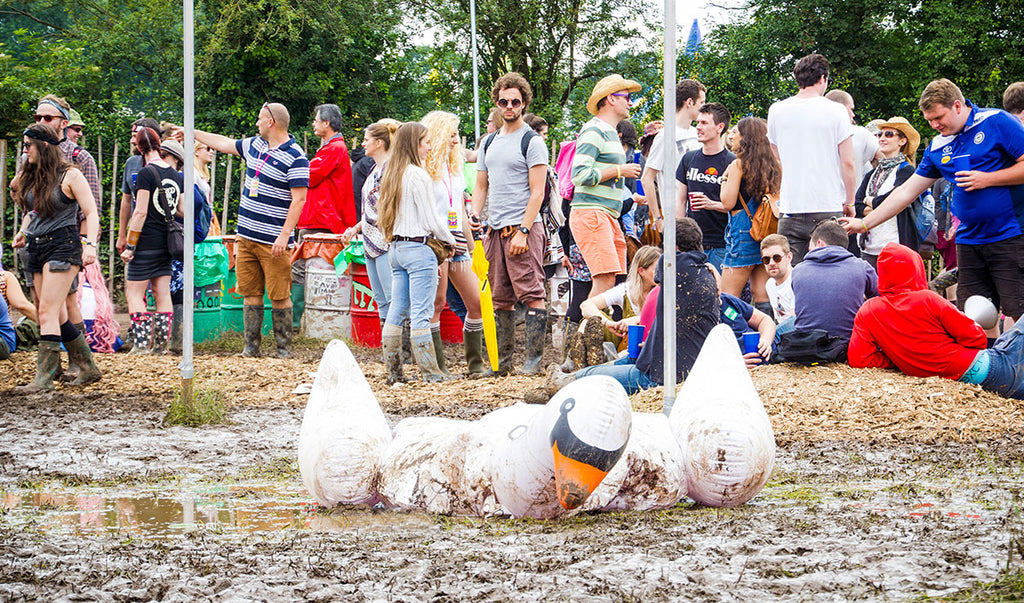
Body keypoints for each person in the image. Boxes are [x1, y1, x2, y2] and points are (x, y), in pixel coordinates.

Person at [840, 78, 1024, 340]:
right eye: (929, 121)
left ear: (957, 106)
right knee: (979, 312)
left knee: (1018, 309)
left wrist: (988, 179)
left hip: (1009, 234)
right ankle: (993, 368)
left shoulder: (997, 121)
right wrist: (865, 223)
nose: (935, 125)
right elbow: (905, 192)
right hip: (969, 239)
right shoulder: (939, 144)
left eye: (939, 117)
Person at [178, 103, 309, 358]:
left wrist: (284, 235)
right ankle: (251, 347)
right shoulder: (254, 146)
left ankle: (284, 348)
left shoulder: (296, 156)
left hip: (274, 241)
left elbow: (299, 200)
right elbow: (224, 143)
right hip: (246, 235)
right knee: (250, 291)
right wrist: (192, 132)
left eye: (260, 119)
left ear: (271, 122)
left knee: (280, 294)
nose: (256, 124)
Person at [548, 218, 719, 403]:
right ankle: (568, 381)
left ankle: (565, 384)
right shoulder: (706, 273)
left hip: (663, 376)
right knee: (617, 364)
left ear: (673, 246)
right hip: (674, 362)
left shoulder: (670, 266)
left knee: (599, 375)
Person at [849, 242, 1024, 400]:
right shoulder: (928, 299)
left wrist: (897, 360)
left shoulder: (868, 310)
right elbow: (976, 339)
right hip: (991, 370)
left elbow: (859, 359)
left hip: (981, 376)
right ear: (916, 269)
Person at [470, 72, 551, 375]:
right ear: (497, 102)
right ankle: (502, 365)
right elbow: (481, 186)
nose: (509, 106)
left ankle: (533, 362)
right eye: (503, 101)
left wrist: (524, 231)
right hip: (493, 229)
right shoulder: (489, 142)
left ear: (524, 103)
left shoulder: (531, 141)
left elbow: (538, 192)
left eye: (515, 101)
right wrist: (475, 215)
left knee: (532, 293)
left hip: (522, 228)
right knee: (499, 297)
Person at [11, 123, 101, 392]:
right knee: (55, 314)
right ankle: (87, 367)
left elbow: (92, 212)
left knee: (47, 311)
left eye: (28, 145)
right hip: (36, 246)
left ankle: (45, 378)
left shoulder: (70, 176)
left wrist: (91, 245)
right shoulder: (33, 175)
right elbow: (32, 211)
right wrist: (23, 231)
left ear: (44, 145)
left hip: (63, 245)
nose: (25, 150)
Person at [377, 122, 458, 383]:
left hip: (396, 249)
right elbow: (431, 219)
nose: (429, 147)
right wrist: (449, 240)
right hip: (418, 248)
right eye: (425, 142)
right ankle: (431, 373)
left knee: (396, 309)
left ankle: (394, 372)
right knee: (422, 312)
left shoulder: (391, 173)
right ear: (414, 144)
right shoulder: (417, 175)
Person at [767, 54, 857, 263]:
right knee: (831, 271)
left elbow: (777, 154)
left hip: (791, 207)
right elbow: (848, 162)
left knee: (792, 275)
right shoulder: (836, 110)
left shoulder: (777, 110)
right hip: (827, 204)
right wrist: (850, 201)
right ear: (823, 78)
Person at [422, 111, 487, 377]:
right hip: (434, 243)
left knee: (477, 302)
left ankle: (475, 364)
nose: (455, 140)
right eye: (450, 134)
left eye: (456, 135)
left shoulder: (455, 169)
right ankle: (437, 367)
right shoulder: (424, 170)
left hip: (457, 241)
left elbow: (459, 212)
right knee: (436, 304)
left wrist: (471, 249)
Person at [570, 74, 643, 298]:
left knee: (613, 280)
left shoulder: (609, 131)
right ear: (611, 98)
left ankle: (597, 331)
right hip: (592, 214)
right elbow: (579, 174)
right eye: (627, 97)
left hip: (607, 215)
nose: (630, 102)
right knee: (604, 279)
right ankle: (585, 333)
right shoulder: (594, 130)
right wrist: (620, 171)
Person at [119, 131, 185, 355]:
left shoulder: (146, 173)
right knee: (162, 292)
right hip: (166, 242)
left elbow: (139, 212)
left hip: (146, 241)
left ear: (140, 149)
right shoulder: (177, 175)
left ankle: (140, 345)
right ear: (160, 146)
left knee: (135, 294)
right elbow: (182, 210)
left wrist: (130, 245)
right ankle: (160, 347)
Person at [292, 104, 356, 330]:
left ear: (326, 124)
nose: (313, 124)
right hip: (325, 217)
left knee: (301, 267)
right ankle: (302, 318)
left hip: (321, 219)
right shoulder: (335, 147)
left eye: (316, 120)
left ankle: (297, 320)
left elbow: (307, 175)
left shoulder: (333, 149)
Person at [343, 120, 400, 334]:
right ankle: (389, 347)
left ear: (378, 142)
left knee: (392, 297)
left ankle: (400, 348)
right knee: (381, 299)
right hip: (369, 241)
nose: (363, 144)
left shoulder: (391, 171)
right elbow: (370, 210)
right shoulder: (373, 170)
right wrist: (356, 228)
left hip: (385, 242)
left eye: (366, 140)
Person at [719, 116, 779, 317]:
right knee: (762, 294)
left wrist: (724, 179)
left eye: (736, 132)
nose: (731, 135)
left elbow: (727, 202)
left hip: (742, 230)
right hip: (766, 231)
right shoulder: (774, 165)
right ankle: (765, 334)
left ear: (746, 138)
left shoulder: (738, 165)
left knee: (728, 298)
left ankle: (733, 331)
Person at [790, 219, 877, 342]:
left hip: (808, 346)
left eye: (810, 248)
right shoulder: (862, 267)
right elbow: (880, 300)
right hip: (851, 343)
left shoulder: (797, 270)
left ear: (819, 243)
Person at [854, 117, 921, 268]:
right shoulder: (872, 174)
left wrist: (870, 200)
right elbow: (857, 204)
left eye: (889, 134)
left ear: (902, 141)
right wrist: (883, 205)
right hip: (868, 247)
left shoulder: (906, 171)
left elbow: (896, 200)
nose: (882, 138)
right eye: (879, 134)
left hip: (895, 247)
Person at [576, 245, 661, 363]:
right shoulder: (626, 290)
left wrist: (636, 319)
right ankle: (577, 359)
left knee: (624, 354)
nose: (661, 273)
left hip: (648, 345)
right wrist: (608, 323)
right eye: (657, 269)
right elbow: (586, 305)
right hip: (626, 342)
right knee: (589, 321)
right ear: (641, 271)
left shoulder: (663, 291)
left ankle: (603, 359)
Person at [640, 79, 706, 232]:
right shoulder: (665, 135)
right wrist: (657, 218)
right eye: (701, 103)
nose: (703, 108)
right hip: (676, 218)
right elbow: (647, 178)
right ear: (689, 102)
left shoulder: (697, 133)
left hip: (699, 215)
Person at [675, 102, 734, 271]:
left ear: (719, 127)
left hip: (721, 244)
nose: (698, 127)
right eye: (698, 122)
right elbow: (680, 201)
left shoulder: (732, 162)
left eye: (704, 123)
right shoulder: (689, 158)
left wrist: (711, 204)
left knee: (718, 294)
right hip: (691, 245)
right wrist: (678, 234)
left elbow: (738, 207)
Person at [116, 118, 163, 254]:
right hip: (137, 232)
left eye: (135, 137)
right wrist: (122, 235)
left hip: (161, 234)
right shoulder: (131, 163)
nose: (132, 141)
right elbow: (126, 200)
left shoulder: (166, 163)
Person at [826, 90, 880, 188]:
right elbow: (888, 158)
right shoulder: (860, 133)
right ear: (841, 109)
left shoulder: (811, 135)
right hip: (851, 200)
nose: (853, 115)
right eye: (851, 109)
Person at [759, 234, 795, 326]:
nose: (771, 263)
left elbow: (793, 322)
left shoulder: (797, 280)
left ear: (789, 257)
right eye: (766, 259)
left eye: (777, 258)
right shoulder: (770, 284)